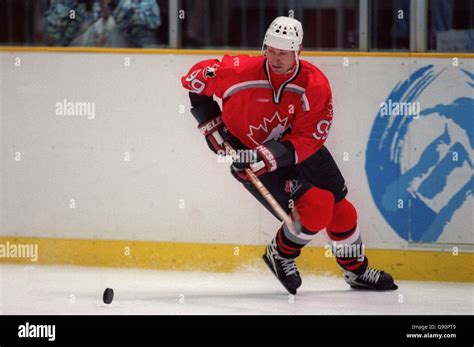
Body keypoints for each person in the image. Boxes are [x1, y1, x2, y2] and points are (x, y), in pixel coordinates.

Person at [181, 16, 398, 295]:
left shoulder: (314, 85)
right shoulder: (238, 71)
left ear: (298, 51)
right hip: (249, 157)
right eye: (270, 50)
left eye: (283, 53)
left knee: (343, 211)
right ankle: (280, 254)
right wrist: (211, 124)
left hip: (297, 149)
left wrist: (269, 155)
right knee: (317, 208)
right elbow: (196, 81)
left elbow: (310, 137)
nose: (275, 58)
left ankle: (355, 271)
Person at [43, 0, 161, 47]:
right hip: (77, 75)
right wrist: (72, 4)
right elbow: (52, 35)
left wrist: (115, 2)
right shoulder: (68, 4)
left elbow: (150, 23)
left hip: (125, 75)